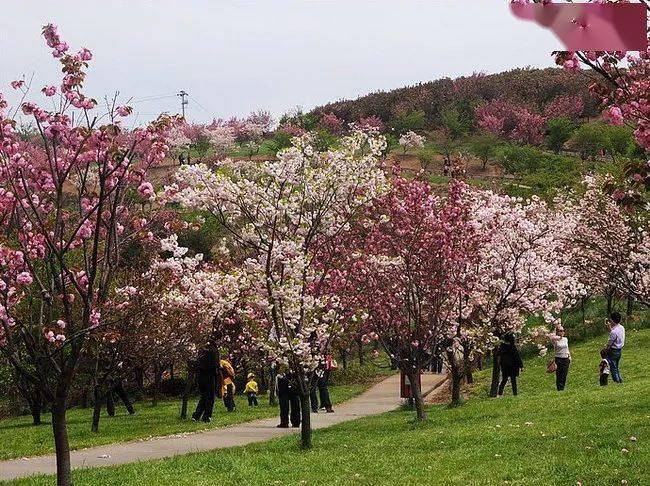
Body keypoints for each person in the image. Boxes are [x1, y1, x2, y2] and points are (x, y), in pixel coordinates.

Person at [192, 343, 221, 422]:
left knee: (204, 396)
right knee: (210, 397)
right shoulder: (214, 351)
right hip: (210, 376)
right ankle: (207, 416)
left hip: (200, 377)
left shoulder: (202, 350)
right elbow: (216, 365)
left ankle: (196, 415)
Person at [549, 325, 571, 391]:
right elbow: (551, 337)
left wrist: (569, 356)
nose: (562, 332)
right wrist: (556, 327)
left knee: (564, 374)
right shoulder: (555, 340)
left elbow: (567, 348)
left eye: (563, 331)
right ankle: (559, 389)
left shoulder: (565, 339)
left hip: (565, 358)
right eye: (561, 331)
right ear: (557, 332)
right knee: (559, 375)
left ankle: (562, 388)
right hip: (558, 359)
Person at [605, 312, 626, 383]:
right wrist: (610, 328)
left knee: (613, 367)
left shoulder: (614, 332)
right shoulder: (621, 328)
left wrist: (605, 349)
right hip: (619, 350)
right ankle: (620, 379)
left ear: (612, 320)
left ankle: (617, 381)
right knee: (616, 366)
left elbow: (610, 342)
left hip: (613, 351)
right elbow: (615, 335)